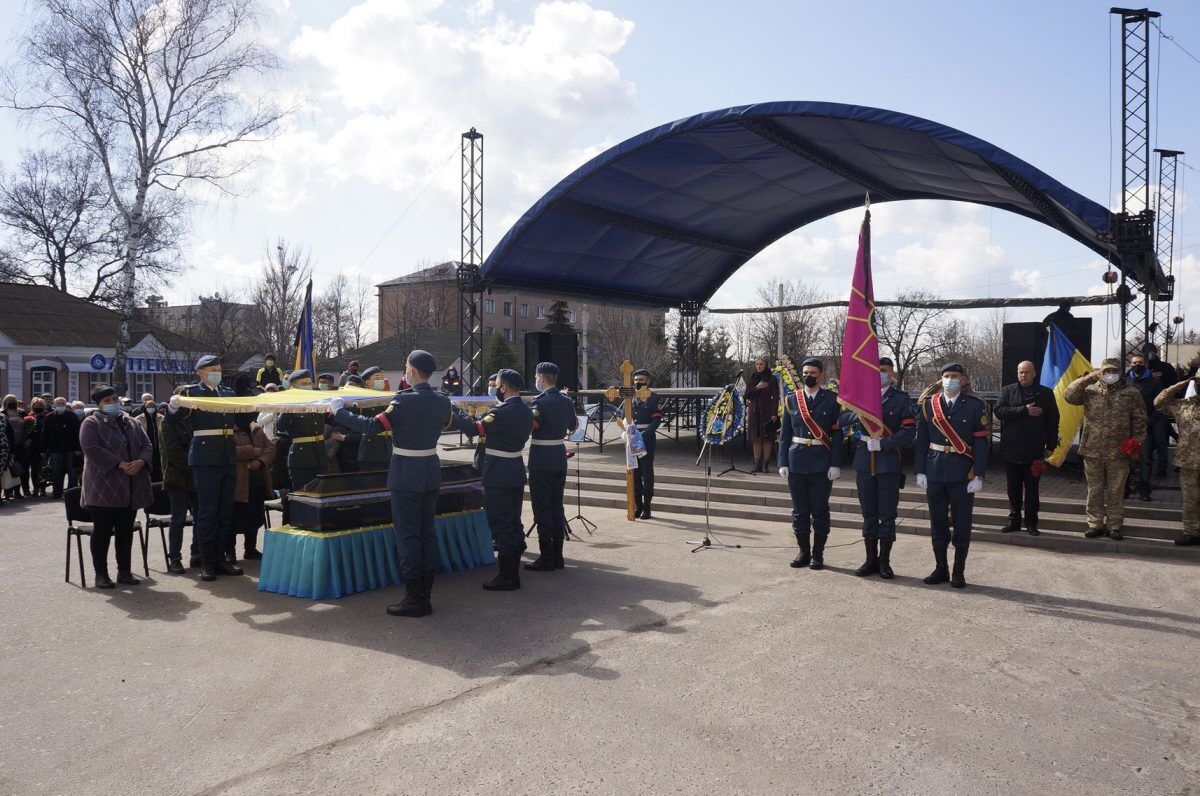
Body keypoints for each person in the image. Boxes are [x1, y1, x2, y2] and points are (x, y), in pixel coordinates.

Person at [331, 350, 456, 617]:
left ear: (411, 371)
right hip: (430, 470)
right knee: (427, 533)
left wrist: (339, 412)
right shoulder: (442, 401)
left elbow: (372, 426)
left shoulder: (403, 401)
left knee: (408, 535)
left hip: (406, 473)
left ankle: (414, 599)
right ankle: (426, 596)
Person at [167, 356, 243, 581]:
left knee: (225, 511)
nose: (216, 373)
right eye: (212, 370)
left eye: (218, 369)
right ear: (200, 372)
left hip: (228, 455)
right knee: (208, 511)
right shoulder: (192, 393)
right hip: (205, 456)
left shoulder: (228, 393)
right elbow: (174, 420)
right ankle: (206, 562)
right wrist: (172, 406)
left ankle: (221, 558)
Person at [838, 357, 915, 579]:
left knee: (887, 514)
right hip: (864, 461)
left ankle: (884, 562)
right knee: (868, 514)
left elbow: (909, 431)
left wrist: (884, 444)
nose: (879, 373)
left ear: (891, 374)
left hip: (888, 461)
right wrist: (861, 410)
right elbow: (841, 419)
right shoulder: (859, 396)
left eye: (883, 370)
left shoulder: (900, 399)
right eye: (876, 369)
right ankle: (869, 560)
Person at [914, 363, 989, 588]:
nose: (949, 380)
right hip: (935, 471)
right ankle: (941, 569)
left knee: (962, 523)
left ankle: (958, 571)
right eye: (946, 376)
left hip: (962, 473)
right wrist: (920, 470)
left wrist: (979, 475)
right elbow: (922, 440)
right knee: (937, 523)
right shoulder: (929, 405)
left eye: (954, 376)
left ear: (963, 379)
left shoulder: (975, 406)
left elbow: (981, 443)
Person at [458, 368, 534, 590]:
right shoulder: (526, 411)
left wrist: (456, 411)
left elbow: (475, 429)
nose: (495, 388)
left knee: (502, 526)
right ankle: (512, 572)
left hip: (498, 473)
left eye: (497, 384)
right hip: (514, 470)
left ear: (504, 387)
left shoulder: (502, 412)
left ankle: (508, 577)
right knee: (513, 522)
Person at [1064, 358, 1147, 540]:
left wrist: (1136, 443)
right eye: (1107, 371)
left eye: (1115, 371)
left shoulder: (1131, 393)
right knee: (1095, 490)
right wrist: (1088, 378)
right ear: (1100, 372)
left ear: (1120, 372)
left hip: (1119, 452)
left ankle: (1114, 525)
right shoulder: (1090, 391)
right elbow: (1068, 395)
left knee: (1116, 490)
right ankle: (1095, 524)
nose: (1111, 374)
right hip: (1093, 450)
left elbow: (1140, 421)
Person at [79, 385, 154, 588]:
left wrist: (140, 462)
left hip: (131, 487)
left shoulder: (131, 422)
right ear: (99, 404)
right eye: (107, 401)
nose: (112, 403)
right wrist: (119, 463)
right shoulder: (91, 423)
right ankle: (101, 574)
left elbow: (147, 445)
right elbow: (92, 449)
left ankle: (124, 572)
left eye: (114, 399)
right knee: (102, 532)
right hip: (103, 488)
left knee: (125, 531)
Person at [777, 357, 842, 570]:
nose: (808, 376)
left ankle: (818, 554)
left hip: (821, 463)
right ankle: (803, 552)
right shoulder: (792, 399)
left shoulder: (832, 400)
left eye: (813, 373)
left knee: (820, 511)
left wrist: (835, 464)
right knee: (799, 511)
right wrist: (782, 461)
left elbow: (837, 435)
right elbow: (785, 434)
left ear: (820, 375)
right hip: (796, 462)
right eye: (805, 372)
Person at [993, 361, 1059, 536]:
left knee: (1032, 491)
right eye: (1021, 372)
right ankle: (1014, 521)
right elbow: (999, 411)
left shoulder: (1046, 393)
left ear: (1034, 373)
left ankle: (1031, 523)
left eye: (1027, 372)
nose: (1024, 375)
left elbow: (1053, 421)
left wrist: (1051, 445)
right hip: (1012, 449)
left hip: (1034, 450)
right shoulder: (1008, 391)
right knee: (1013, 490)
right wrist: (1024, 411)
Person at [525, 362, 578, 572]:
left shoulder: (540, 402)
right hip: (559, 456)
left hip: (542, 458)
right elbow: (573, 426)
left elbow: (533, 426)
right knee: (557, 507)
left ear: (542, 378)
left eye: (537, 377)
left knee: (542, 508)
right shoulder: (567, 401)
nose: (536, 381)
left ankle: (547, 556)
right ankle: (558, 556)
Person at [1154, 378, 1200, 545]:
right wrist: (1177, 386)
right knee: (1190, 499)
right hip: (1188, 461)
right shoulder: (1183, 405)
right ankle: (1191, 532)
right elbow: (1159, 403)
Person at [159, 387, 197, 574]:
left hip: (196, 478)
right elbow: (173, 453)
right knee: (178, 519)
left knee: (200, 517)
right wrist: (195, 467)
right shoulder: (168, 423)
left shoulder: (192, 421)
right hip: (177, 478)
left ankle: (197, 554)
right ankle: (175, 558)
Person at [275, 370, 331, 490]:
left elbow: (331, 420)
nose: (308, 386)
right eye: (304, 383)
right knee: (302, 494)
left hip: (320, 455)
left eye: (309, 383)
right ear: (294, 386)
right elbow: (280, 426)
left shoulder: (317, 402)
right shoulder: (289, 403)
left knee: (321, 494)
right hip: (301, 458)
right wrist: (290, 404)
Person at [231, 412, 273, 561]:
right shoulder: (230, 429)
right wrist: (252, 451)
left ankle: (250, 549)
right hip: (239, 482)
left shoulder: (256, 428)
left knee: (255, 517)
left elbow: (269, 447)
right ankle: (230, 554)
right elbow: (229, 451)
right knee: (235, 518)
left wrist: (259, 461)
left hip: (257, 480)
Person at [1126, 352, 1163, 501]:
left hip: (1145, 429)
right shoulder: (1124, 382)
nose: (1137, 365)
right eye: (1134, 363)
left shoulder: (1154, 383)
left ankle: (1144, 490)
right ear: (1130, 364)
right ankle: (1125, 488)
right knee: (1125, 460)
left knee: (1145, 460)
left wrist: (1148, 422)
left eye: (1140, 363)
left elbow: (1160, 407)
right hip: (1125, 429)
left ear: (1146, 364)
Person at [630, 369, 663, 519]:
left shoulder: (654, 398)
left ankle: (647, 507)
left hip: (646, 440)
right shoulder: (630, 398)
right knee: (634, 474)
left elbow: (656, 420)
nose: (638, 383)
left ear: (648, 381)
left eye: (641, 380)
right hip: (632, 440)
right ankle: (638, 506)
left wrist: (642, 436)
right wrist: (626, 432)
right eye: (636, 380)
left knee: (646, 474)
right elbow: (625, 417)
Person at [43, 396, 82, 498]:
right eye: (58, 404)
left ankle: (71, 493)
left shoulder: (72, 416)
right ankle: (57, 492)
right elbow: (45, 434)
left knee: (72, 471)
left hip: (70, 449)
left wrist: (78, 448)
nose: (61, 406)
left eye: (62, 404)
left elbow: (78, 434)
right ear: (54, 405)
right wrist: (43, 449)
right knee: (56, 471)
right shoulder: (49, 417)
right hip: (55, 449)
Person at [746, 357, 780, 473]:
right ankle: (757, 464)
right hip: (754, 411)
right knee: (756, 439)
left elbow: (776, 397)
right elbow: (747, 395)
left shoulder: (772, 378)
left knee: (767, 439)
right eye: (757, 364)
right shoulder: (752, 377)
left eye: (761, 364)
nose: (759, 366)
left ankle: (766, 464)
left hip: (767, 411)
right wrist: (757, 387)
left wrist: (774, 413)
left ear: (766, 365)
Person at [133, 394, 165, 482]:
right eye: (149, 407)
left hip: (159, 447)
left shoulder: (161, 418)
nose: (151, 409)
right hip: (145, 447)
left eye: (153, 407)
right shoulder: (138, 419)